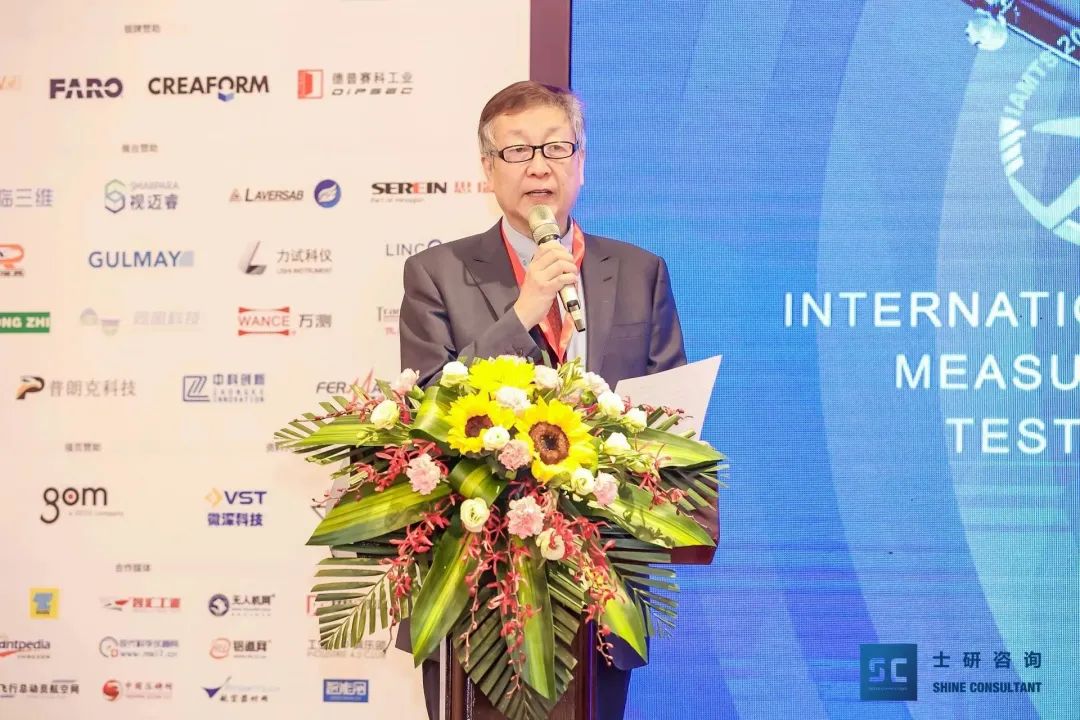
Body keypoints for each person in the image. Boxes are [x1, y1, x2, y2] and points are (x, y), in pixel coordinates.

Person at [397, 80, 686, 720]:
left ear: (581, 162)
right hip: (477, 592)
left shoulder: (639, 271)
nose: (538, 166)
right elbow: (427, 411)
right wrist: (523, 312)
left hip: (599, 585)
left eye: (556, 147)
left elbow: (670, 418)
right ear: (487, 169)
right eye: (517, 150)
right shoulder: (436, 274)